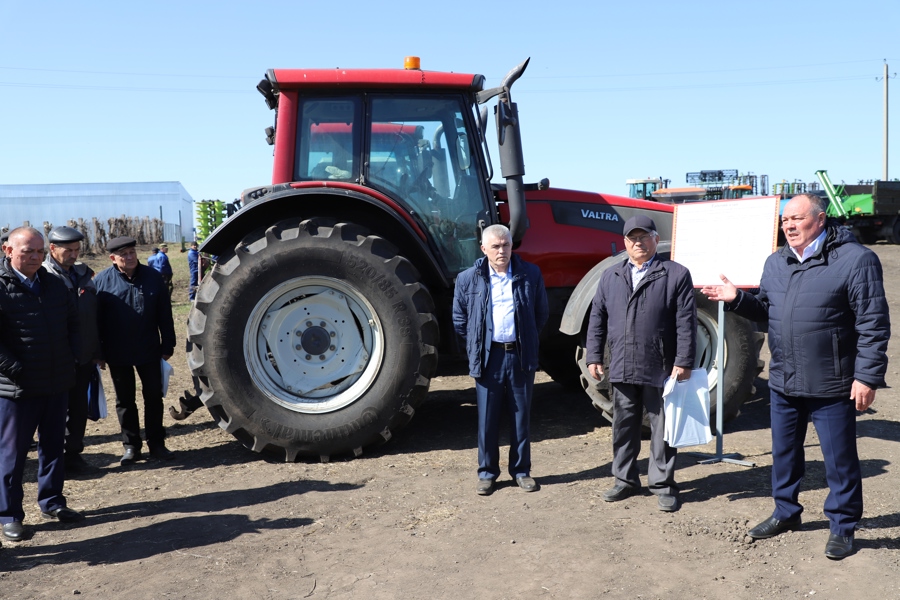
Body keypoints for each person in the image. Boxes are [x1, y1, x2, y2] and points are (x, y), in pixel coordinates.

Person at [701, 193, 890, 560]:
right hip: (785, 379)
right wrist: (737, 299)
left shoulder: (856, 260)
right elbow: (768, 310)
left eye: (796, 219)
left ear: (820, 219)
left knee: (840, 460)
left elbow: (873, 325)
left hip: (832, 382)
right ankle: (786, 513)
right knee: (785, 455)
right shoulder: (777, 262)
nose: (788, 226)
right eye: (784, 221)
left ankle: (843, 527)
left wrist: (866, 377)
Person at [585, 215, 696, 513]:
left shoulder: (675, 274)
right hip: (621, 363)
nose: (638, 242)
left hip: (659, 365)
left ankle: (662, 484)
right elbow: (597, 318)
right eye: (632, 238)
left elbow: (686, 322)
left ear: (655, 239)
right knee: (623, 425)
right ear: (625, 243)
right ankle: (624, 480)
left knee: (662, 428)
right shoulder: (611, 276)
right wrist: (593, 355)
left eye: (644, 236)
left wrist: (684, 361)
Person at [0, 227, 84, 544]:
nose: (35, 257)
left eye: (38, 251)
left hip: (56, 382)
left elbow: (73, 323)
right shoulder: (2, 286)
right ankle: (9, 516)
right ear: (8, 251)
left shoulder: (52, 284)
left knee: (53, 448)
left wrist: (73, 357)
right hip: (18, 389)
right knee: (12, 455)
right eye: (27, 251)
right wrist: (16, 369)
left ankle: (52, 502)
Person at [452, 224, 548, 496]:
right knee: (487, 418)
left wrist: (524, 339)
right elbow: (460, 320)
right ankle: (487, 473)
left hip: (519, 354)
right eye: (495, 246)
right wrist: (477, 343)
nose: (502, 250)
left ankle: (521, 471)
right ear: (483, 249)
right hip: (488, 357)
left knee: (521, 416)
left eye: (506, 245)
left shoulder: (530, 274)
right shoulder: (468, 279)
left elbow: (540, 314)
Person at [95, 236, 177, 465]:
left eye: (132, 252)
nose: (130, 257)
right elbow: (95, 321)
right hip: (117, 351)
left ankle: (157, 444)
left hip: (149, 348)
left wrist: (168, 344)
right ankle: (131, 446)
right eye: (124, 255)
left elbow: (164, 313)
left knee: (153, 396)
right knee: (124, 400)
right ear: (113, 258)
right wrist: (99, 352)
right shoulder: (102, 282)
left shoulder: (153, 277)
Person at [42, 226, 102, 474]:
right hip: (57, 358)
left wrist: (96, 350)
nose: (74, 255)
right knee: (55, 413)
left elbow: (94, 315)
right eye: (68, 250)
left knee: (78, 409)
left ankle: (74, 456)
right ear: (53, 248)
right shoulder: (43, 277)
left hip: (84, 356)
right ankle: (54, 461)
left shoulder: (85, 274)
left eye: (77, 250)